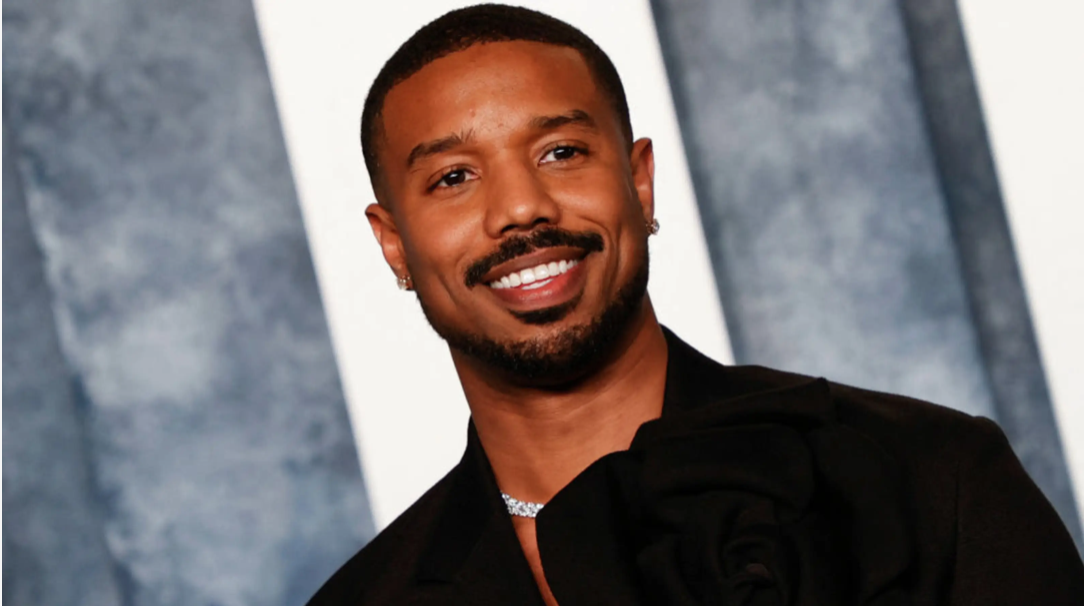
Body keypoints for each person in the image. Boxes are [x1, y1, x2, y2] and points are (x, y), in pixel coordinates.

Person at [307, 4, 1084, 605]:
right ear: (395, 246)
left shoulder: (930, 479)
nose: (520, 209)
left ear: (639, 183)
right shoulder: (366, 598)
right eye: (452, 178)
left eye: (561, 153)